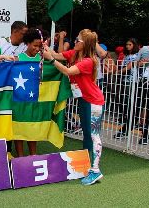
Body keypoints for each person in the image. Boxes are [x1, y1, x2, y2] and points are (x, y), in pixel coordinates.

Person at [43, 29, 105, 186]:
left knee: (93, 135)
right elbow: (57, 55)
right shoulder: (74, 54)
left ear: (85, 45)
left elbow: (67, 70)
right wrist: (45, 48)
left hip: (93, 101)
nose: (75, 41)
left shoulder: (88, 61)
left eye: (78, 40)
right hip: (84, 101)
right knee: (87, 134)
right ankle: (89, 166)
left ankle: (95, 170)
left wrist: (50, 60)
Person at [0, 20, 28, 159]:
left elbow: (32, 59)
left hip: (17, 89)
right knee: (0, 116)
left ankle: (8, 150)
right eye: (23, 33)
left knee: (12, 118)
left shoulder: (25, 45)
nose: (25, 36)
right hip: (0, 87)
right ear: (15, 32)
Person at [13, 28, 42, 157]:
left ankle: (33, 155)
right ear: (27, 43)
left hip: (35, 100)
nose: (37, 48)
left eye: (39, 46)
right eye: (35, 45)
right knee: (19, 127)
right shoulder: (18, 59)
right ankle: (20, 156)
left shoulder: (42, 59)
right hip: (19, 100)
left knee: (32, 127)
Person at [113, 38, 139, 138]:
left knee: (128, 103)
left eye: (130, 45)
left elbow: (128, 67)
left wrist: (118, 72)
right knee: (123, 102)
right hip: (124, 80)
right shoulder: (127, 55)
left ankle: (129, 123)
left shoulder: (135, 56)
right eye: (127, 44)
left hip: (131, 81)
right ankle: (126, 122)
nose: (127, 46)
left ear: (134, 45)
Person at [136, 34, 149, 145]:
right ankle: (146, 134)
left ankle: (147, 134)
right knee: (148, 110)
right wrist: (144, 63)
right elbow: (139, 64)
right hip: (147, 84)